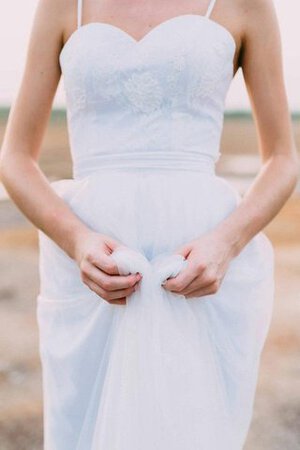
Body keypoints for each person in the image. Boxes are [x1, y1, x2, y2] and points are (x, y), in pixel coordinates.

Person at [0, 0, 298, 448]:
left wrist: (227, 243)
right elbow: (16, 158)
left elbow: (282, 158)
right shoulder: (62, 5)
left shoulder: (245, 5)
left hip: (197, 266)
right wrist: (76, 240)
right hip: (92, 274)